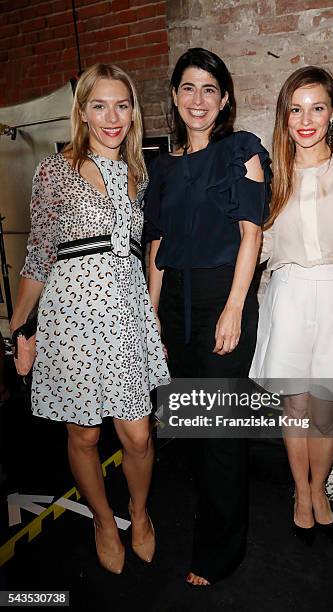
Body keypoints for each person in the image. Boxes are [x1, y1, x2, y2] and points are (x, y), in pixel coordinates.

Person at [10, 63, 170, 574]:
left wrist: (153, 319)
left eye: (122, 105)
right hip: (71, 315)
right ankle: (104, 520)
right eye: (99, 105)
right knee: (83, 435)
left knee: (139, 436)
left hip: (124, 312)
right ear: (81, 111)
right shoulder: (54, 171)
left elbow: (146, 252)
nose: (112, 116)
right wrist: (19, 328)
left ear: (133, 111)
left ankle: (138, 513)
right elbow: (38, 253)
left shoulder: (140, 175)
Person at [144, 48, 271, 585]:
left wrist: (234, 309)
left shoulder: (242, 151)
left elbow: (251, 233)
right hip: (175, 301)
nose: (198, 100)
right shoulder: (162, 167)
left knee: (218, 432)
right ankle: (212, 523)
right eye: (188, 88)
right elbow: (156, 247)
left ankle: (221, 552)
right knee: (193, 429)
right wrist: (150, 320)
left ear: (223, 101)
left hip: (223, 295)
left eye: (209, 90)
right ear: (175, 97)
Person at [250, 66, 333, 542]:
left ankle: (320, 485)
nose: (305, 119)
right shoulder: (271, 174)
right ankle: (302, 491)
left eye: (317, 108)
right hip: (286, 294)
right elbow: (260, 245)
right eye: (295, 109)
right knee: (295, 405)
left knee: (325, 408)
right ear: (284, 117)